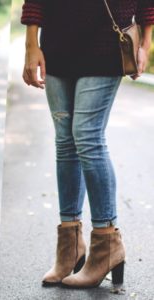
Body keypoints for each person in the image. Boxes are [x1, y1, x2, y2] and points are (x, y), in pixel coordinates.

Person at [21, 0, 154, 288]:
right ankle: (70, 247)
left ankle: (107, 245)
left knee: (88, 137)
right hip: (56, 45)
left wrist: (145, 42)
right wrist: (31, 44)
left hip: (106, 44)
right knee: (65, 142)